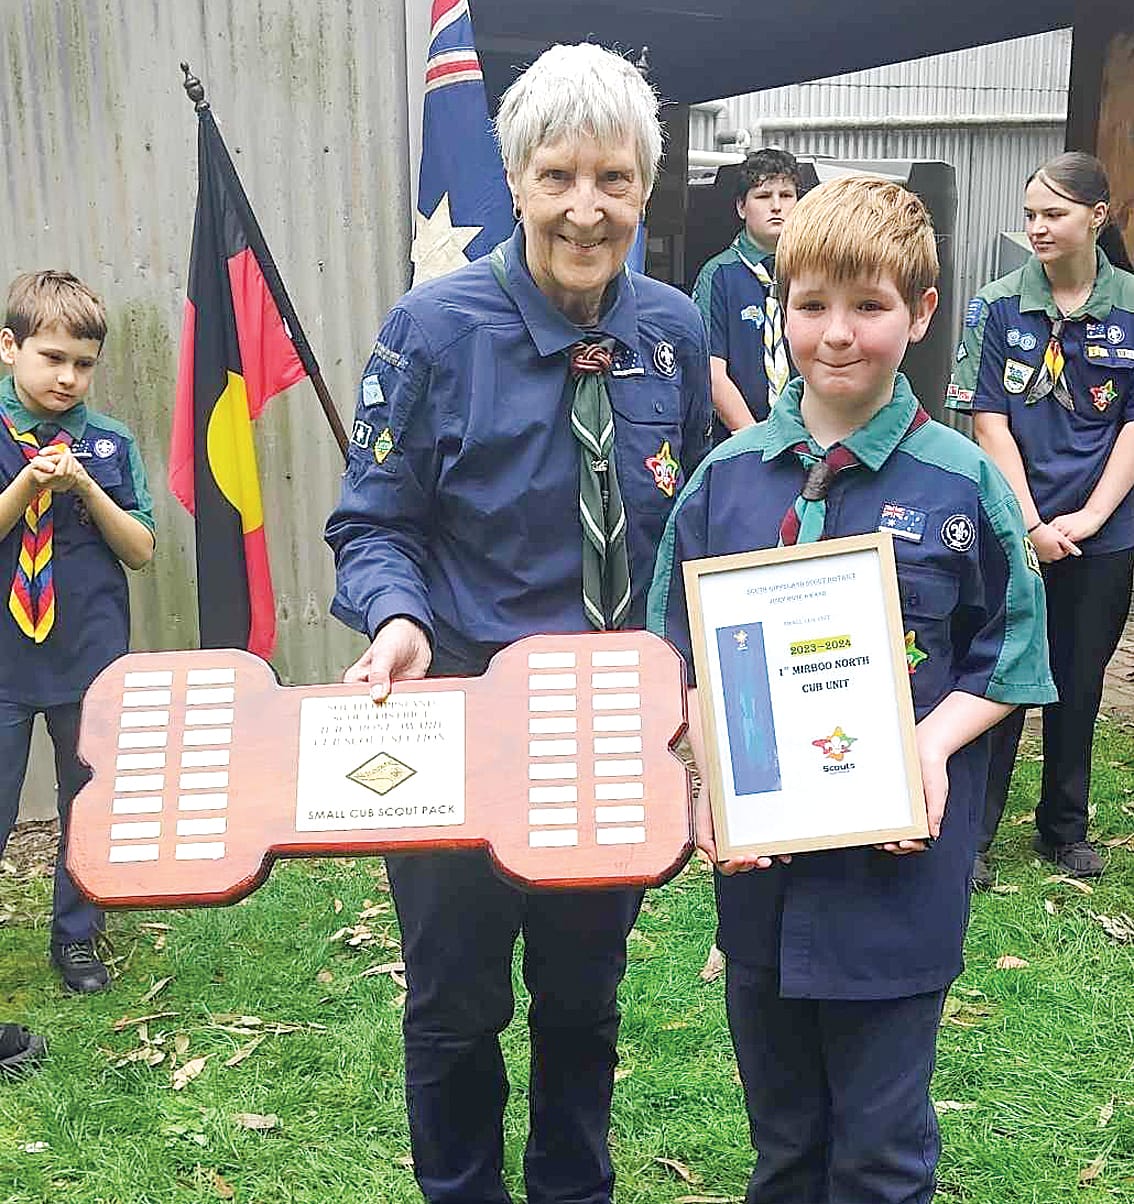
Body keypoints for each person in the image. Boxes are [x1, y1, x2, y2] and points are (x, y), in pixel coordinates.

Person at [325, 43, 711, 1204]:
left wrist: (692, 673)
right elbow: (374, 520)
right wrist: (395, 617)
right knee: (454, 1002)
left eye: (614, 179)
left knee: (585, 995)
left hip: (608, 732)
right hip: (462, 718)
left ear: (645, 186)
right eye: (557, 177)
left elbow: (686, 524)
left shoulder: (676, 331)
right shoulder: (433, 328)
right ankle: (462, 1192)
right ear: (514, 180)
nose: (586, 210)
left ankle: (570, 1188)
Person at [648, 176, 1054, 1203]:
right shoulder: (725, 480)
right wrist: (710, 774)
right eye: (811, 304)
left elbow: (1011, 648)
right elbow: (678, 652)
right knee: (784, 1145)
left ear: (919, 315)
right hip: (764, 871)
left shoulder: (963, 482)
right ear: (778, 311)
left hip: (897, 867)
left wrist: (932, 742)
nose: (837, 334)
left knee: (878, 1154)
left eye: (869, 306)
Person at [948, 152, 1134, 886]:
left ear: (1098, 217)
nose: (1037, 228)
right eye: (1030, 214)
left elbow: (1131, 427)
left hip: (1106, 527)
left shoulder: (1130, 310)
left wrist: (1089, 517)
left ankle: (1063, 830)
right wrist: (1030, 523)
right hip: (1013, 525)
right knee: (1003, 673)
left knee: (1079, 680)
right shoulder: (996, 305)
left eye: (1053, 214)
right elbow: (988, 421)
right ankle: (978, 837)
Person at [0, 271, 156, 993]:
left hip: (87, 657)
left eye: (83, 363)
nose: (68, 378)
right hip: (4, 659)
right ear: (10, 347)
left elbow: (141, 549)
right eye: (51, 357)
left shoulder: (110, 443)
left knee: (83, 800)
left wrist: (86, 489)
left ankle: (77, 936)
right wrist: (27, 485)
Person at [692, 148, 802, 443]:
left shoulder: (815, 272)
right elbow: (711, 372)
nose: (776, 206)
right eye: (764, 196)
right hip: (739, 441)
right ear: (742, 207)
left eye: (786, 195)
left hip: (808, 441)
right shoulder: (719, 275)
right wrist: (755, 440)